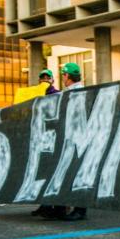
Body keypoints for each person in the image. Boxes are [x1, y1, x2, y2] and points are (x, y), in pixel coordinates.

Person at [38, 62, 87, 221]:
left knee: (75, 173)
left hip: (77, 137)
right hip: (68, 137)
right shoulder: (70, 92)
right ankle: (59, 208)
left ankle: (80, 210)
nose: (63, 78)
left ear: (68, 76)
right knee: (63, 172)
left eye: (64, 75)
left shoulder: (79, 92)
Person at [31, 68, 62, 218]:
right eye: (42, 78)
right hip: (40, 138)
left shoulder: (57, 94)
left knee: (52, 172)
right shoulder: (34, 95)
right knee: (41, 173)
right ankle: (45, 205)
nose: (45, 80)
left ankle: (54, 206)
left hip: (53, 137)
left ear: (52, 80)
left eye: (47, 78)